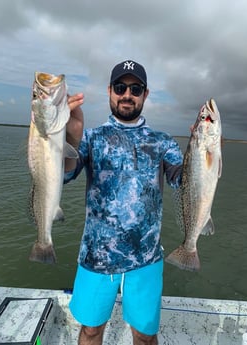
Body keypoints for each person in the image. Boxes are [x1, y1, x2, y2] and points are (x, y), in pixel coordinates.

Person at [65, 60, 183, 345]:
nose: (127, 94)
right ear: (109, 91)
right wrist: (70, 131)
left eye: (135, 88)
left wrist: (207, 148)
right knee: (91, 330)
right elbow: (65, 171)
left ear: (145, 94)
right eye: (120, 87)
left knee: (144, 336)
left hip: (146, 257)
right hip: (96, 256)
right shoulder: (91, 138)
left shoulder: (162, 142)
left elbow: (183, 180)